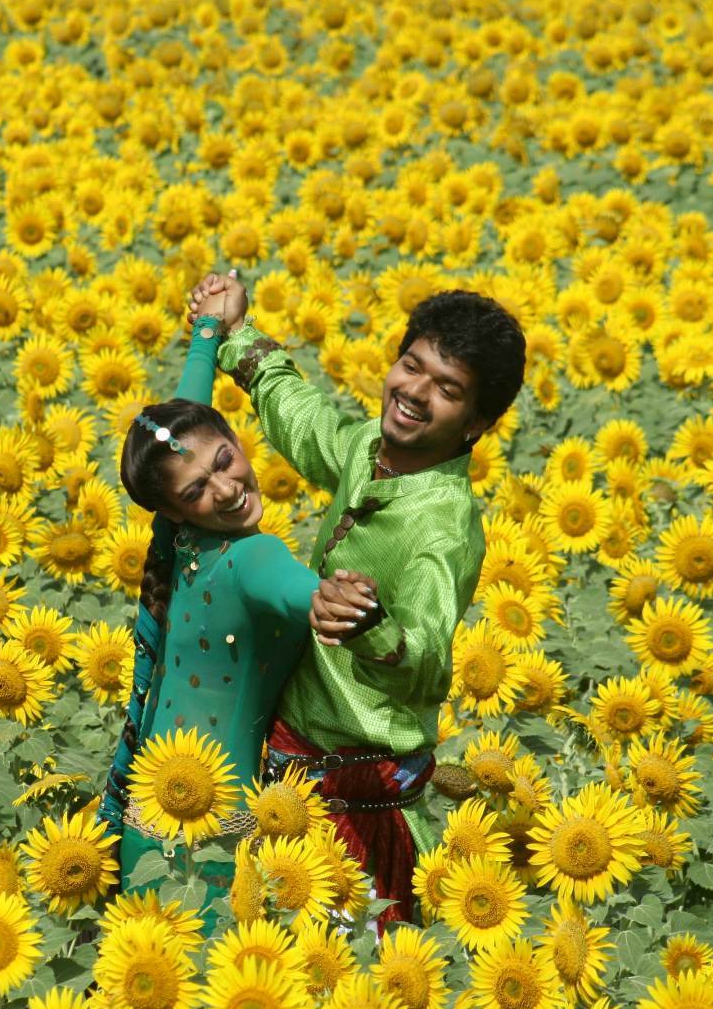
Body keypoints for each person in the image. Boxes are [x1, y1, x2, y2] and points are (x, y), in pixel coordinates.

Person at [187, 272, 526, 932]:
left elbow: (427, 658)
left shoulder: (444, 528)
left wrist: (372, 626)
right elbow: (302, 417)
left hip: (358, 789)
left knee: (344, 972)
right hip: (288, 756)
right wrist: (235, 334)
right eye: (411, 367)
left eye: (448, 389)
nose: (414, 393)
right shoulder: (370, 451)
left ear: (478, 423)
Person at [98, 282, 371, 926]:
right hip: (214, 838)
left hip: (146, 813)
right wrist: (330, 599)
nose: (226, 488)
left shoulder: (177, 536)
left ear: (234, 438)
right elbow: (296, 590)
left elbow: (178, 429)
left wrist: (208, 334)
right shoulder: (254, 556)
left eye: (227, 459)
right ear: (169, 506)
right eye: (199, 488)